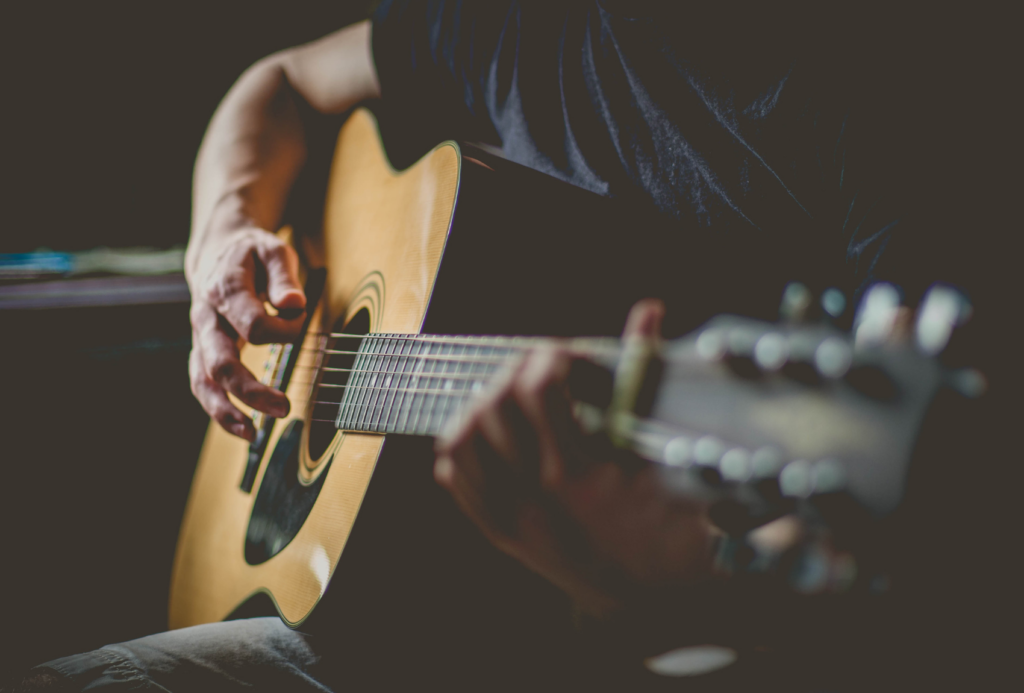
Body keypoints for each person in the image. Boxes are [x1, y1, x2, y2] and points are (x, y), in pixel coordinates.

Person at [7, 2, 1005, 691]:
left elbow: (930, 571)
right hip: (413, 609)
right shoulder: (501, 29)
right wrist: (222, 240)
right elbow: (280, 85)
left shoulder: (889, 106)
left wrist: (666, 597)